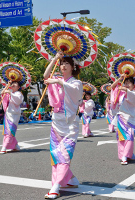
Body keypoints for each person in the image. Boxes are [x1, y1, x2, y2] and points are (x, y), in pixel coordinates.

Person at [41, 52, 82, 199]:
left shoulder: (76, 83)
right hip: (56, 122)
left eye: (66, 63)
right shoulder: (56, 78)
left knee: (64, 155)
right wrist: (54, 59)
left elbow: (73, 91)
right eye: (61, 63)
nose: (63, 66)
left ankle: (56, 186)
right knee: (55, 154)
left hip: (70, 124)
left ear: (73, 67)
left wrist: (57, 82)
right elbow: (46, 76)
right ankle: (70, 179)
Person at [109, 75, 135, 165]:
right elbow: (112, 87)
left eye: (128, 83)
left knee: (130, 137)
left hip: (131, 118)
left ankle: (127, 154)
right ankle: (124, 156)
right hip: (121, 117)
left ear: (133, 84)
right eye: (125, 83)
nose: (126, 85)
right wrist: (120, 79)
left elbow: (133, 100)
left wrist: (125, 89)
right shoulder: (121, 93)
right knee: (121, 138)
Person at [0, 80, 23, 154]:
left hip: (14, 114)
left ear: (18, 87)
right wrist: (7, 85)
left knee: (10, 131)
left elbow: (18, 101)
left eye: (15, 84)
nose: (13, 85)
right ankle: (15, 146)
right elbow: (2, 93)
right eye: (12, 84)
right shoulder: (10, 93)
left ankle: (4, 147)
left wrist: (10, 93)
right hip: (8, 114)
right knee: (9, 131)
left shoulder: (19, 93)